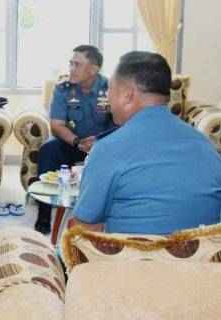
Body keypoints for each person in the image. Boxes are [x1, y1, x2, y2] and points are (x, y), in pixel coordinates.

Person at [70, 51, 221, 234]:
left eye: (109, 89)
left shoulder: (107, 149)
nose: (107, 97)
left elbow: (84, 228)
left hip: (131, 252)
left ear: (127, 96)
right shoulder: (207, 147)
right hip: (200, 251)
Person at [34, 45, 115, 235]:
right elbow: (56, 125)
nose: (71, 68)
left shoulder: (111, 89)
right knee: (48, 150)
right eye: (71, 63)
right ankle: (44, 215)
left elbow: (121, 123)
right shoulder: (63, 89)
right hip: (72, 143)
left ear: (93, 69)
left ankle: (102, 216)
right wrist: (78, 142)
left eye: (77, 65)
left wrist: (100, 143)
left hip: (104, 147)